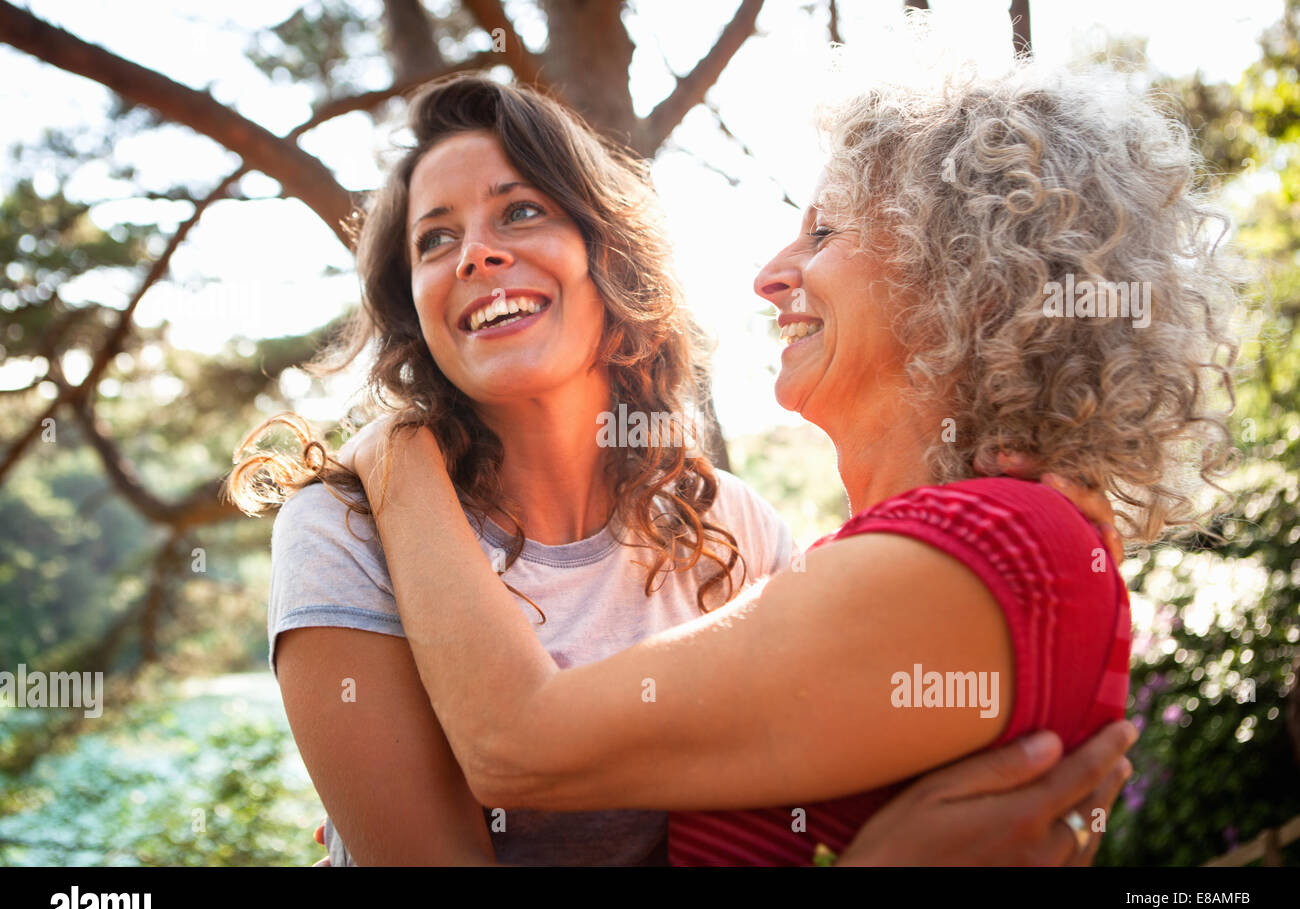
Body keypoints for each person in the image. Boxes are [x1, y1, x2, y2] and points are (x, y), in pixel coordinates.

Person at [335, 61, 1236, 865]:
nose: (771, 273)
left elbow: (513, 747)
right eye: (434, 239)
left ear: (968, 276)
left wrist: (395, 452)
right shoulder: (955, 542)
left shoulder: (990, 542)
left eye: (823, 233)